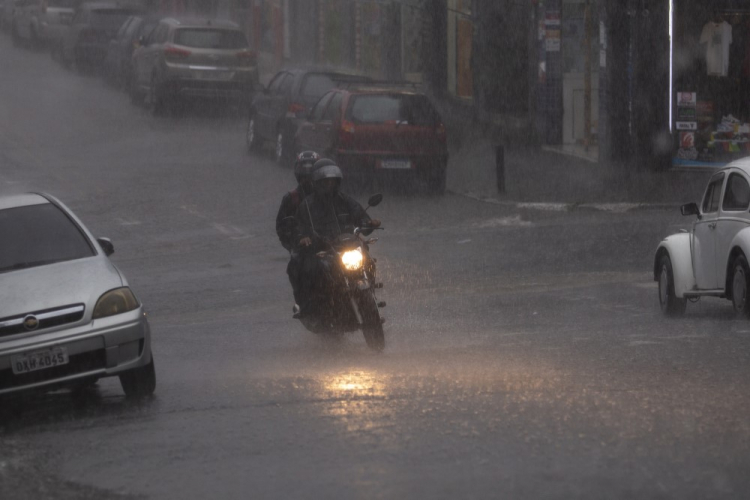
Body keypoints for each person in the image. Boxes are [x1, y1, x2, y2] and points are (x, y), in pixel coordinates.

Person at [294, 159, 380, 316]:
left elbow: (359, 215)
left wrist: (369, 223)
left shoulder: (344, 200)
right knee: (312, 270)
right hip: (324, 248)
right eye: (325, 182)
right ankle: (313, 308)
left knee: (368, 259)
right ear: (317, 183)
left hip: (347, 244)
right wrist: (304, 237)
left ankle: (370, 290)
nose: (329, 185)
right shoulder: (307, 205)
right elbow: (300, 226)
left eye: (332, 181)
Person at [276, 151, 320, 306]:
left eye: (312, 175)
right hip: (306, 247)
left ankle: (369, 292)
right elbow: (284, 227)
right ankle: (305, 305)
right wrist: (299, 239)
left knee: (364, 256)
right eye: (305, 176)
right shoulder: (292, 199)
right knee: (298, 267)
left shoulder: (332, 194)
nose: (309, 180)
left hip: (333, 242)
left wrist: (363, 222)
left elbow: (349, 209)